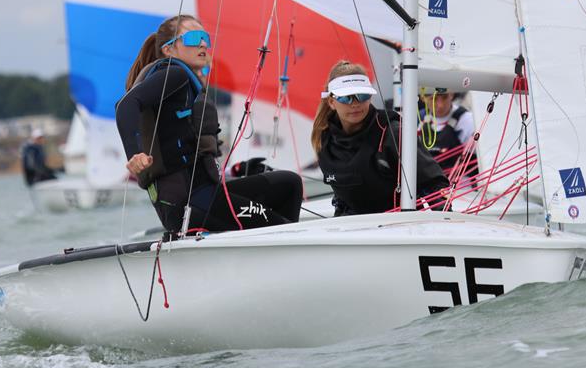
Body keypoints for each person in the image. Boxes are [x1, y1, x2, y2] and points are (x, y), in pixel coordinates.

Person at [116, 14, 303, 235]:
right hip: (188, 205)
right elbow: (126, 105)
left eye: (205, 37)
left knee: (288, 184)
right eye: (194, 38)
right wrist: (134, 154)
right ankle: (280, 251)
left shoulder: (181, 84)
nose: (203, 43)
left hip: (205, 193)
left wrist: (235, 173)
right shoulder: (175, 74)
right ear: (168, 49)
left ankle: (259, 254)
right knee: (283, 228)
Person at [311, 61, 449, 216]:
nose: (355, 104)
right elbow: (343, 196)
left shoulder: (393, 132)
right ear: (331, 102)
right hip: (351, 227)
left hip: (398, 226)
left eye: (362, 95)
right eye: (346, 98)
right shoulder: (323, 138)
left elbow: (434, 184)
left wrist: (447, 221)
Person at [418, 88, 476, 174]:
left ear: (451, 94)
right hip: (429, 184)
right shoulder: (416, 120)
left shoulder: (470, 120)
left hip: (461, 183)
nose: (440, 105)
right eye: (434, 99)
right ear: (423, 98)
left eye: (444, 97)